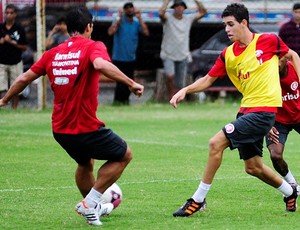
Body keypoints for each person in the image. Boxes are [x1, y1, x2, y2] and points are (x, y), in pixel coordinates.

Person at [0, 6, 144, 226]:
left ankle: (92, 209)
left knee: (85, 163)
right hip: (85, 126)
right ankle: (91, 202)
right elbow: (100, 64)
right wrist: (131, 83)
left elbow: (23, 79)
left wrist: (4, 100)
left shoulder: (52, 53)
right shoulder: (93, 46)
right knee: (124, 155)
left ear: (67, 29)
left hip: (60, 129)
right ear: (89, 27)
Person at [170, 3, 300, 217]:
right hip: (247, 111)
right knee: (253, 167)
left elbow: (291, 55)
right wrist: (186, 90)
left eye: (231, 24)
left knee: (215, 143)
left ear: (244, 23)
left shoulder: (268, 41)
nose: (227, 29)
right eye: (225, 25)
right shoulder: (228, 54)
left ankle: (197, 200)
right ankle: (290, 191)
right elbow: (208, 79)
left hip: (264, 112)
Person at [159, 0, 207, 100]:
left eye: (181, 6)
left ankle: (178, 99)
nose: (179, 8)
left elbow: (203, 12)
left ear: (184, 8)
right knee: (170, 76)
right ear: (174, 8)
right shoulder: (168, 18)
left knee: (180, 82)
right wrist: (166, 2)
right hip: (168, 53)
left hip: (183, 53)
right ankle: (170, 96)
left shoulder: (188, 19)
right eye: (176, 6)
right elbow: (161, 13)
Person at [266, 57, 300, 194]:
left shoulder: (296, 68)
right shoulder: (266, 75)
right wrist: (266, 124)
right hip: (277, 121)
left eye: (278, 60)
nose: (275, 64)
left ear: (286, 59)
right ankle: (292, 185)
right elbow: (257, 99)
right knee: (275, 156)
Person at [108, 2, 149, 105]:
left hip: (130, 57)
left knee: (129, 82)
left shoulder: (136, 23)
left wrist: (140, 18)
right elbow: (110, 32)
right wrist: (118, 17)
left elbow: (146, 32)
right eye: (127, 8)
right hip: (119, 57)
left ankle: (126, 101)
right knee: (120, 82)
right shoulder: (120, 21)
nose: (129, 10)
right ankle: (117, 101)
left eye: (131, 8)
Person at [0, 4, 27, 109]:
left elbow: (24, 47)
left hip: (15, 61)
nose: (8, 15)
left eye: (11, 13)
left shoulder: (19, 29)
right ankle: (3, 109)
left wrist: (11, 42)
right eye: (7, 13)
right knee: (1, 87)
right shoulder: (0, 28)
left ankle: (14, 109)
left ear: (15, 14)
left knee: (16, 87)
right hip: (1, 62)